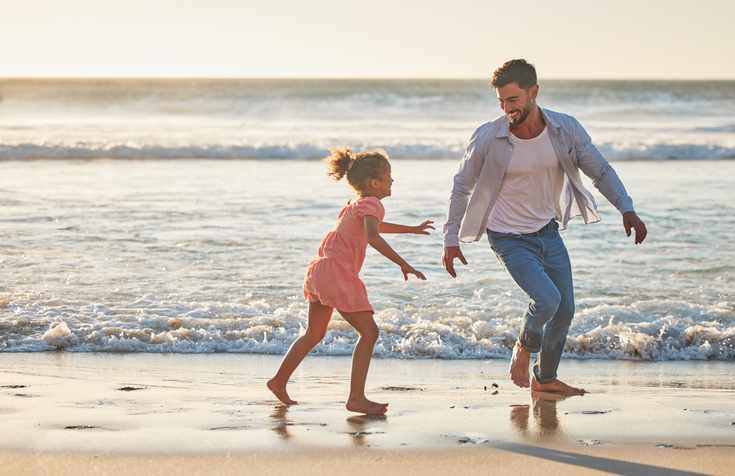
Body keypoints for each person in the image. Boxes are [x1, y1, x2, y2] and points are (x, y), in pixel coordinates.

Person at [442, 59, 647, 393]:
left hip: (547, 232)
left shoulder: (564, 130)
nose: (508, 108)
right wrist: (451, 238)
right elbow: (461, 186)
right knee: (547, 300)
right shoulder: (487, 136)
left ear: (533, 92)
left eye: (513, 100)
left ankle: (545, 380)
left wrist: (626, 207)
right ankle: (523, 348)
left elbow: (601, 171)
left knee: (565, 309)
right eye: (501, 101)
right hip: (507, 237)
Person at [268, 146, 434, 414]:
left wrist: (412, 230)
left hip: (320, 270)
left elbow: (374, 227)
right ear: (374, 182)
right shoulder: (373, 203)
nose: (393, 181)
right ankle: (356, 397)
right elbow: (373, 236)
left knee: (314, 334)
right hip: (338, 274)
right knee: (369, 332)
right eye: (389, 176)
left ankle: (278, 380)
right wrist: (403, 263)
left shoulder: (356, 204)